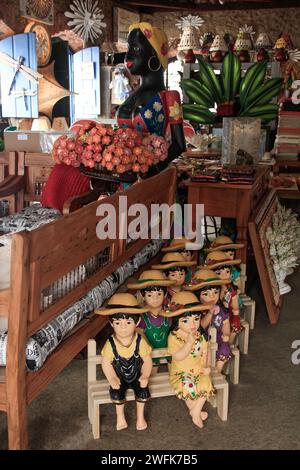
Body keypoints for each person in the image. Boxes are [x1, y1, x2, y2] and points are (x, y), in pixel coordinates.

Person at [117, 22, 186, 172]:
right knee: (123, 197)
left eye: (135, 48)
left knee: (139, 197)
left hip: (151, 185)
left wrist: (153, 168)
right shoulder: (132, 94)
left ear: (154, 53)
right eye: (129, 49)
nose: (128, 56)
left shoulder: (170, 97)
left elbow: (179, 145)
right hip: (123, 185)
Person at [96, 293, 152, 431]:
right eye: (117, 323)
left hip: (136, 375)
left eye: (128, 322)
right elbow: (106, 363)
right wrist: (112, 378)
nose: (123, 327)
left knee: (143, 391)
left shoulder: (140, 341)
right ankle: (120, 417)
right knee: (116, 392)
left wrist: (145, 375)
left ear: (137, 322)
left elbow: (147, 361)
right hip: (119, 377)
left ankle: (140, 417)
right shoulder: (110, 344)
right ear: (111, 323)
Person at [162, 291, 214, 429]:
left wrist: (206, 366)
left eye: (196, 319)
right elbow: (178, 356)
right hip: (181, 372)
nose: (192, 324)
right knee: (188, 386)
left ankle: (195, 411)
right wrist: (189, 343)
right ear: (177, 320)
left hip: (198, 370)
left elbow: (205, 351)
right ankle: (196, 412)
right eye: (186, 321)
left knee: (206, 383)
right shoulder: (174, 337)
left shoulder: (199, 335)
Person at [184, 268, 231, 374]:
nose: (212, 296)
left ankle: (217, 372)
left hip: (218, 338)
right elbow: (200, 327)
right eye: (206, 294)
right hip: (200, 340)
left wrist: (226, 334)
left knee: (224, 349)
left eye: (215, 292)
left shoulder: (221, 310)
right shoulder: (196, 313)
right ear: (197, 295)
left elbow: (226, 324)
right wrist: (209, 313)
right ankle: (201, 372)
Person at [127, 270, 174, 372]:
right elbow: (139, 332)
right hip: (150, 352)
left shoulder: (169, 314)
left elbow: (174, 331)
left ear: (165, 294)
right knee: (151, 371)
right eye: (149, 295)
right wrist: (147, 346)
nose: (155, 298)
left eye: (159, 294)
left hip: (169, 350)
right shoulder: (142, 317)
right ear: (143, 296)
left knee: (175, 368)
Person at [204, 251, 243, 345]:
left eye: (227, 272)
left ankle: (228, 345)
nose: (224, 275)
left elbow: (234, 304)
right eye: (219, 273)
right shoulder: (208, 289)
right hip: (212, 315)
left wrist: (236, 310)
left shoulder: (230, 289)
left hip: (227, 313)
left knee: (233, 326)